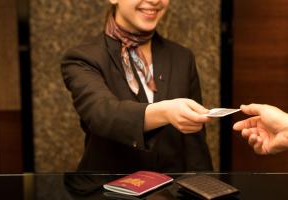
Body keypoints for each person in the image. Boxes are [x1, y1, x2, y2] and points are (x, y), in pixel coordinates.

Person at [61, 0, 212, 173]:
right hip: (108, 189)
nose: (155, 1)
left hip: (171, 190)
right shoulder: (83, 57)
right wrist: (165, 112)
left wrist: (206, 188)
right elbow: (102, 113)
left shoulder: (182, 57)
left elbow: (195, 146)